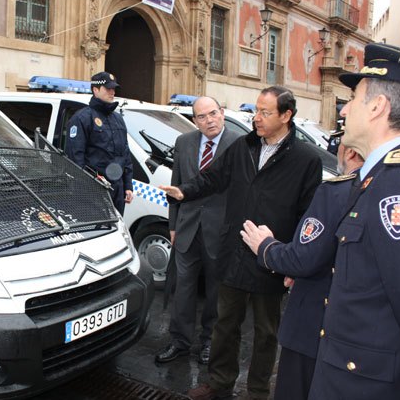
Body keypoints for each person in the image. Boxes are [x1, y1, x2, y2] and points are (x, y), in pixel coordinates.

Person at [160, 86, 322, 400]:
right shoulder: (244, 147)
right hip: (234, 252)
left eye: (265, 112)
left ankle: (258, 392)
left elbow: (308, 214)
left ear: (286, 116)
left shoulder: (306, 160)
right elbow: (213, 178)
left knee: (265, 332)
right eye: (255, 111)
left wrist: (293, 258)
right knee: (225, 324)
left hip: (270, 257)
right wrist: (185, 191)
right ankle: (219, 383)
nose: (256, 118)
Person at [308, 42, 400, 399]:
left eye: (353, 97)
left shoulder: (397, 186)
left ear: (377, 107)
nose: (345, 107)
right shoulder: (378, 175)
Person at [239, 135, 364, 400]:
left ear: (350, 153)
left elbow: (302, 258)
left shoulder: (337, 191)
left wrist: (265, 246)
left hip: (313, 327)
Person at [155, 97, 241, 365]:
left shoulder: (239, 143)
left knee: (216, 291)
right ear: (195, 121)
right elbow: (176, 186)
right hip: (187, 227)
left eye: (213, 113)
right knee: (183, 288)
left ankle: (209, 342)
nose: (209, 120)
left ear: (222, 114)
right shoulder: (185, 143)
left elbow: (244, 191)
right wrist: (172, 224)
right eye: (202, 117)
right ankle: (180, 341)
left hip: (222, 231)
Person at [65, 71, 133, 215]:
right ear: (95, 90)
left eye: (113, 89)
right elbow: (75, 159)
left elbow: (125, 154)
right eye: (108, 89)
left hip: (117, 189)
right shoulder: (82, 118)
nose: (112, 92)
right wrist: (89, 187)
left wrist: (128, 185)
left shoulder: (118, 119)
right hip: (92, 190)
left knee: (116, 231)